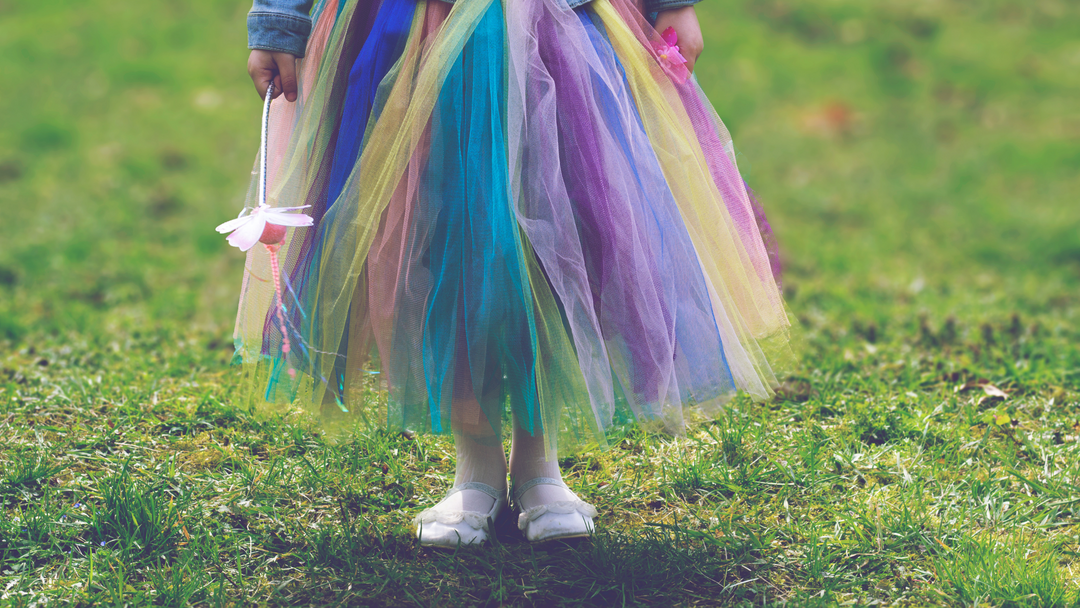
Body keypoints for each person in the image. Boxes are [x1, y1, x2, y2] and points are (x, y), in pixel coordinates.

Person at [233, 0, 791, 547]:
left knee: (551, 235)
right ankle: (475, 464)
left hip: (556, 29)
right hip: (413, 32)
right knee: (441, 234)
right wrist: (280, 17)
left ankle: (538, 464)